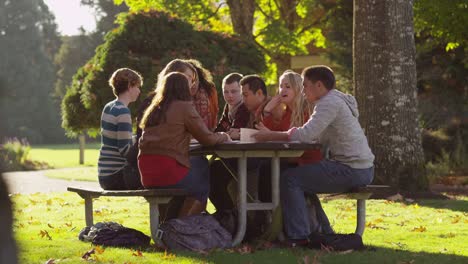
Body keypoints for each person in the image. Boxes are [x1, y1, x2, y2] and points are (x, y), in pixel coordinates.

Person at [253, 65, 375, 247]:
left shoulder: (329, 103)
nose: (303, 90)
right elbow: (312, 135)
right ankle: (322, 231)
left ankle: (299, 237)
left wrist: (270, 135)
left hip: (352, 169)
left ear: (319, 85)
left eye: (306, 85)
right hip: (357, 167)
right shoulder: (333, 101)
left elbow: (305, 135)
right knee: (299, 177)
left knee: (290, 179)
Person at [138, 72, 230, 217]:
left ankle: (166, 225)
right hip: (168, 171)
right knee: (201, 166)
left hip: (146, 173)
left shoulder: (154, 109)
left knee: (195, 166)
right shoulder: (184, 107)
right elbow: (208, 139)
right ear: (184, 88)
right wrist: (225, 136)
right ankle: (182, 227)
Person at [257, 70, 322, 203]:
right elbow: (268, 134)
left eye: (287, 86)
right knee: (266, 167)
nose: (282, 90)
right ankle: (268, 213)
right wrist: (267, 111)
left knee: (269, 169)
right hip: (290, 160)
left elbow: (274, 135)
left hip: (306, 162)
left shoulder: (308, 111)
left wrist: (270, 134)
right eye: (280, 86)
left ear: (298, 89)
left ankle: (270, 213)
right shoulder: (286, 113)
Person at [98, 68, 143, 190]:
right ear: (129, 86)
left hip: (104, 175)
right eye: (137, 87)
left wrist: (134, 139)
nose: (139, 91)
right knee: (157, 178)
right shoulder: (123, 111)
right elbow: (125, 150)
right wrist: (142, 141)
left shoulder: (109, 106)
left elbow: (116, 139)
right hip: (117, 176)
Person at [185, 59, 219, 131]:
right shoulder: (177, 95)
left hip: (208, 133)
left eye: (195, 79)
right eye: (189, 79)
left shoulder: (209, 89)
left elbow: (215, 111)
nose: (193, 83)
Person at [214, 73, 250, 140]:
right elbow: (221, 127)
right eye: (226, 92)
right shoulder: (229, 105)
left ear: (242, 91)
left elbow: (234, 132)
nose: (230, 95)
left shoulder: (245, 107)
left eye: (234, 91)